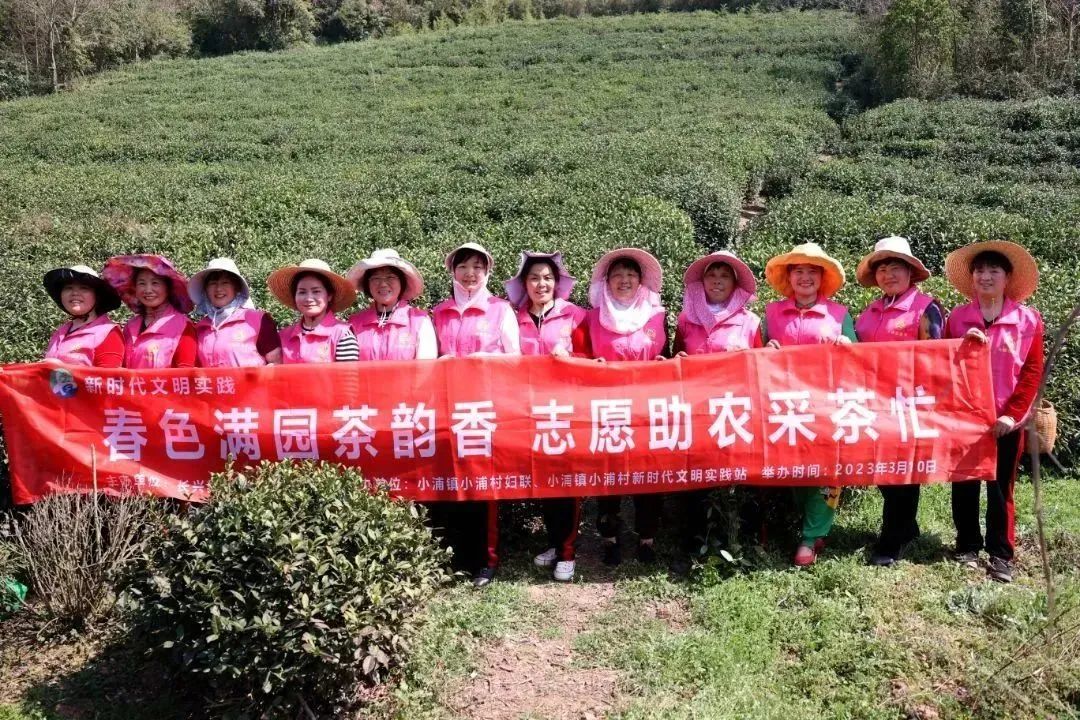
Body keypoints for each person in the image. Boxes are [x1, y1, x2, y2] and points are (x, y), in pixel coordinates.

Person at [944, 240, 1043, 584]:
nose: (985, 277)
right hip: (966, 416)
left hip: (1006, 420)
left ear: (1007, 278)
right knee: (965, 484)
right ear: (972, 277)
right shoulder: (958, 317)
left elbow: (1032, 371)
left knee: (1001, 487)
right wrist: (960, 347)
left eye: (993, 271)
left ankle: (1001, 554)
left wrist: (1011, 415)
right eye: (979, 271)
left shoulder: (1027, 319)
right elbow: (944, 364)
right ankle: (967, 546)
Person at [432, 242, 520, 588]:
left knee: (483, 481)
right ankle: (453, 556)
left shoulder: (500, 309)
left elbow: (515, 359)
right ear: (452, 271)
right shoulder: (440, 312)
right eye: (463, 267)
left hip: (485, 408)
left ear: (487, 272)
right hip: (448, 408)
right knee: (451, 478)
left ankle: (486, 559)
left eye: (477, 268)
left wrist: (484, 360)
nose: (470, 274)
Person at [763, 242, 856, 567]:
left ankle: (809, 536)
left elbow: (857, 356)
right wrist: (767, 348)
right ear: (789, 277)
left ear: (822, 277)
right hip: (786, 406)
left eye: (812, 271)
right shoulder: (771, 313)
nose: (805, 277)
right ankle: (812, 526)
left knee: (828, 470)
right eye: (798, 271)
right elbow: (757, 353)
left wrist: (846, 344)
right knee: (796, 470)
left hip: (827, 405)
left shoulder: (839, 314)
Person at [854, 236, 944, 567]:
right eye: (882, 269)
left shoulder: (927, 308)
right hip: (873, 403)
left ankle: (890, 543)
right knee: (884, 471)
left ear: (910, 272)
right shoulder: (870, 311)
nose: (888, 275)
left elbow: (936, 355)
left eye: (895, 268)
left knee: (901, 473)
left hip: (909, 404)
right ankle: (907, 527)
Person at [575, 248, 667, 566]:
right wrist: (592, 367)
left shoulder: (657, 316)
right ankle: (610, 538)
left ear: (641, 281)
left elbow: (669, 355)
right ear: (607, 282)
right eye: (617, 275)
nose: (624, 280)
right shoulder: (592, 318)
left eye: (631, 274)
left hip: (647, 409)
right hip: (607, 409)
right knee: (609, 476)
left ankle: (646, 538)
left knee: (649, 475)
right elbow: (581, 359)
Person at [504, 251, 587, 582]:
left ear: (557, 283)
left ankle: (567, 551)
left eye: (548, 277)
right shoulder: (515, 318)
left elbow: (590, 359)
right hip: (530, 411)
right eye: (535, 278)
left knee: (566, 481)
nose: (542, 283)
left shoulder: (574, 316)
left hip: (566, 410)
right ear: (525, 283)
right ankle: (554, 542)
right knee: (544, 479)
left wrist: (571, 358)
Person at [672, 251, 762, 556]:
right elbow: (675, 358)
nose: (717, 281)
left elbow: (761, 366)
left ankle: (742, 541)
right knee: (698, 478)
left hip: (735, 412)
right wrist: (678, 359)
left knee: (741, 477)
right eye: (712, 275)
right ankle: (695, 544)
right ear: (702, 282)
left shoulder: (750, 322)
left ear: (735, 284)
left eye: (725, 276)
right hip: (697, 411)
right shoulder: (686, 319)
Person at [102, 254, 196, 368]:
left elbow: (186, 372)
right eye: (142, 283)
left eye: (155, 283)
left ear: (168, 288)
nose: (148, 290)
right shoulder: (131, 326)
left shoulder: (182, 326)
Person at [346, 249, 437, 361]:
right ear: (367, 284)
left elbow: (426, 368)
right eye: (376, 278)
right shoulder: (354, 323)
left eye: (390, 277)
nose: (383, 284)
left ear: (402, 282)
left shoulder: (420, 321)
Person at [190, 258, 281, 367]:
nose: (218, 288)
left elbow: (276, 363)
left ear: (236, 287)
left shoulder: (257, 320)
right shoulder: (200, 328)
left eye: (225, 282)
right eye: (213, 283)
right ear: (205, 290)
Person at [267, 259, 359, 364]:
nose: (308, 298)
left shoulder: (342, 334)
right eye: (302, 292)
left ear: (329, 295)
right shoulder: (283, 336)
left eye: (316, 291)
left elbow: (348, 374)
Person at [42, 265, 124, 367]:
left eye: (84, 288)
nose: (75, 293)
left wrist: (63, 369)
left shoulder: (108, 332)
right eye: (68, 288)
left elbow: (109, 375)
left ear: (97, 296)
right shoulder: (60, 332)